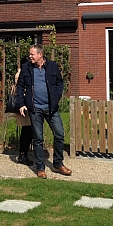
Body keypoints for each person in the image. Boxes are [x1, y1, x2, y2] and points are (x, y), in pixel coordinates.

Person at [16, 44, 71, 179]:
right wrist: (21, 104)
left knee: (59, 134)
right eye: (30, 54)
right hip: (35, 109)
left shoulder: (52, 66)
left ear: (40, 55)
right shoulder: (27, 67)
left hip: (51, 108)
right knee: (38, 138)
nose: (30, 56)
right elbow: (20, 86)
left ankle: (58, 163)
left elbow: (59, 82)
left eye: (32, 54)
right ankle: (40, 168)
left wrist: (56, 97)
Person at [14, 58, 33, 166]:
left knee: (26, 130)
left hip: (25, 106)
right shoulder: (20, 75)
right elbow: (21, 90)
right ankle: (23, 154)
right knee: (29, 130)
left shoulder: (21, 73)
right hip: (24, 106)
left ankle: (23, 154)